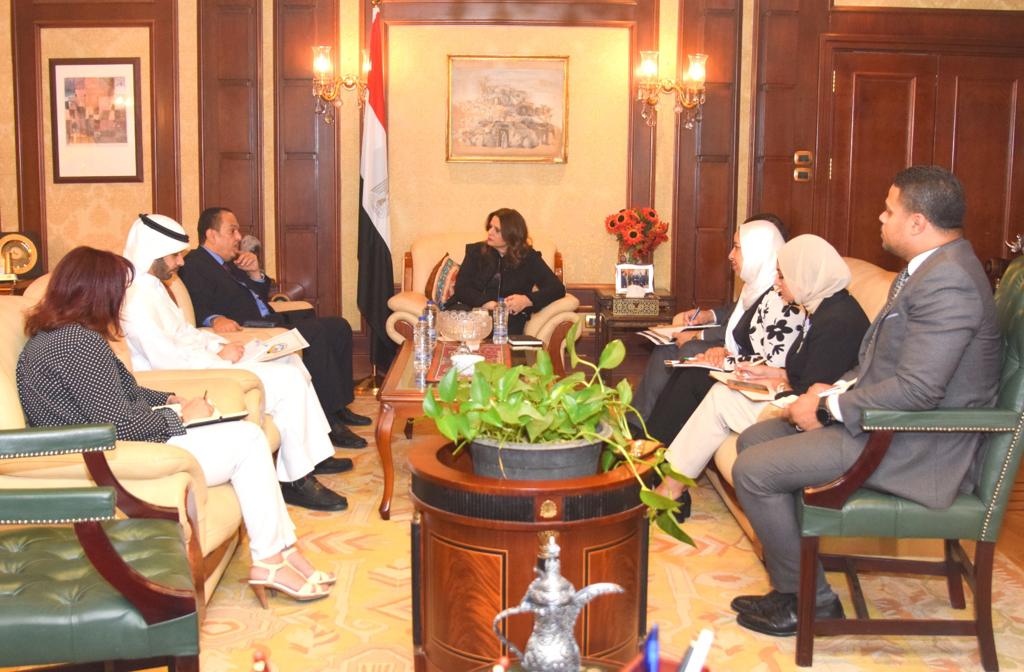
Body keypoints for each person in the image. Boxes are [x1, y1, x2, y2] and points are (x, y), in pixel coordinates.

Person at [730, 166, 1001, 638]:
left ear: (917, 222)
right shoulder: (930, 269)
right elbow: (877, 363)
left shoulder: (949, 282)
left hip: (915, 443)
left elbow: (918, 390)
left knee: (754, 471)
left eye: (889, 211)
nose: (881, 218)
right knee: (755, 439)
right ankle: (795, 583)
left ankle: (811, 602)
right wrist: (828, 392)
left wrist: (825, 409)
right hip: (885, 421)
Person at [16, 246, 336, 608]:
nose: (121, 302)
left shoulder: (64, 335)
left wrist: (170, 398)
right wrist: (182, 417)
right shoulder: (76, 342)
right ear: (97, 292)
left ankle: (281, 552)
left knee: (245, 434)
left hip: (118, 444)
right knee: (248, 441)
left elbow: (123, 390)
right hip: (113, 455)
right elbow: (120, 424)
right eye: (118, 292)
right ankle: (271, 558)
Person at [121, 214, 351, 512]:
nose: (180, 262)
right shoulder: (135, 299)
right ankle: (295, 481)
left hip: (202, 362)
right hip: (185, 376)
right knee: (289, 379)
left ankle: (312, 457)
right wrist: (217, 356)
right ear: (154, 251)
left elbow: (186, 333)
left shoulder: (154, 287)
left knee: (290, 361)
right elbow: (166, 358)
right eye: (175, 255)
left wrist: (221, 345)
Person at [655, 234, 869, 504]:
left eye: (782, 276)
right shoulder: (823, 308)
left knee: (720, 398)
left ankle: (669, 488)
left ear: (804, 276)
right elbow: (810, 371)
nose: (776, 283)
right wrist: (774, 374)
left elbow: (813, 393)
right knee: (719, 392)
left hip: (814, 419)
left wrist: (776, 386)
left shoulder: (838, 322)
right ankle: (671, 486)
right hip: (799, 399)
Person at [178, 207, 369, 448]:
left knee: (339, 326)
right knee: (315, 334)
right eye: (232, 231)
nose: (239, 237)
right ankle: (329, 422)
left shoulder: (230, 263)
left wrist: (255, 273)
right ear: (211, 234)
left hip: (270, 318)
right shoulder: (195, 264)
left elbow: (258, 296)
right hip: (251, 328)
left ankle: (339, 406)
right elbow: (198, 305)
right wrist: (214, 319)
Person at [642, 219, 804, 445]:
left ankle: (651, 445)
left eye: (737, 247)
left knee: (692, 372)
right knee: (687, 369)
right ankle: (644, 436)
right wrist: (724, 352)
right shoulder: (754, 286)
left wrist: (725, 357)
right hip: (739, 365)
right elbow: (742, 333)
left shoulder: (783, 299)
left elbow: (772, 364)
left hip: (756, 382)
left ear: (757, 251)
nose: (730, 255)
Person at [447, 208, 566, 335]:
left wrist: (527, 300)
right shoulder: (476, 252)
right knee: (458, 319)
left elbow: (557, 288)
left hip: (508, 318)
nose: (490, 232)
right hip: (471, 310)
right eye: (490, 227)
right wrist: (488, 304)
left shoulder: (528, 257)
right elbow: (462, 287)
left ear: (511, 235)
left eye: (497, 230)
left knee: (505, 324)